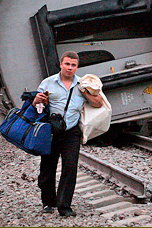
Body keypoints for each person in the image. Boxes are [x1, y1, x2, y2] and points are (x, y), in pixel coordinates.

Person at [32, 51, 103, 217]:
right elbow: (36, 106)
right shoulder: (47, 83)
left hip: (71, 132)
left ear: (77, 67)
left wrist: (85, 93)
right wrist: (37, 100)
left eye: (73, 65)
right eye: (67, 64)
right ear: (61, 64)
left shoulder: (82, 84)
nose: (70, 68)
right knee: (48, 168)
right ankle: (48, 202)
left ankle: (64, 206)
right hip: (51, 131)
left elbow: (98, 103)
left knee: (70, 167)